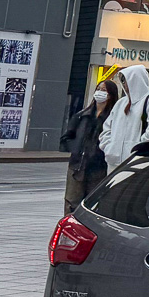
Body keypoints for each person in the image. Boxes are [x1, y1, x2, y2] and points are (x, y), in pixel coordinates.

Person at [97, 65, 149, 169]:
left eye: (126, 80)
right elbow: (107, 128)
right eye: (123, 81)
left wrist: (138, 150)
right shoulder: (121, 103)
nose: (124, 84)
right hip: (114, 163)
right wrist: (109, 148)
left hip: (138, 164)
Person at [60, 83, 113, 213]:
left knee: (94, 204)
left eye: (104, 90)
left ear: (111, 95)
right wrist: (77, 148)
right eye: (98, 89)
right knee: (72, 202)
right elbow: (66, 139)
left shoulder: (112, 118)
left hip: (99, 168)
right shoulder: (82, 115)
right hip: (78, 166)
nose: (100, 92)